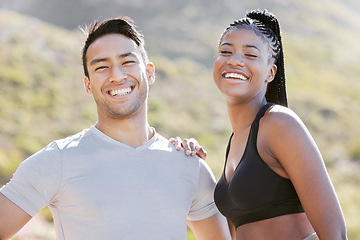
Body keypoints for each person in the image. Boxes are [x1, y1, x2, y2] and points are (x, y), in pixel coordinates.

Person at [0, 17, 231, 240]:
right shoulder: (57, 161)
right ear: (88, 85)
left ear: (149, 72)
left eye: (127, 62)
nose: (117, 75)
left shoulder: (189, 164)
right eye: (101, 67)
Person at [173, 9, 347, 240]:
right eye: (226, 51)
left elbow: (335, 234)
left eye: (250, 55)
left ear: (270, 72)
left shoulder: (279, 123)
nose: (234, 60)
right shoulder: (236, 142)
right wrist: (192, 164)